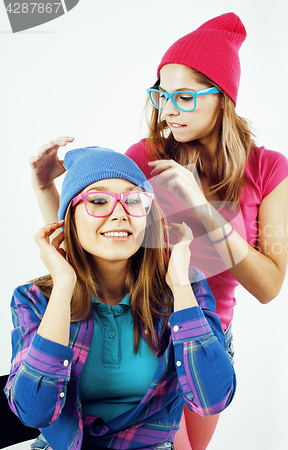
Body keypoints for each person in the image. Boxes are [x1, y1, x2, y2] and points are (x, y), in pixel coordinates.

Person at [29, 12, 288, 450]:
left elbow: (268, 286)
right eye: (161, 95)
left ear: (223, 98)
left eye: (185, 97)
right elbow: (87, 235)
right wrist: (45, 187)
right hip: (144, 329)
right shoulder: (145, 156)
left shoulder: (267, 168)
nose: (168, 110)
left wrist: (205, 211)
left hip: (206, 337)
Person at [5, 147, 236, 450]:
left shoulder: (186, 288)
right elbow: (34, 412)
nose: (118, 213)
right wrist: (63, 285)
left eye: (133, 200)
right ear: (68, 221)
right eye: (98, 201)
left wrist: (179, 284)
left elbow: (212, 399)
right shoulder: (32, 298)